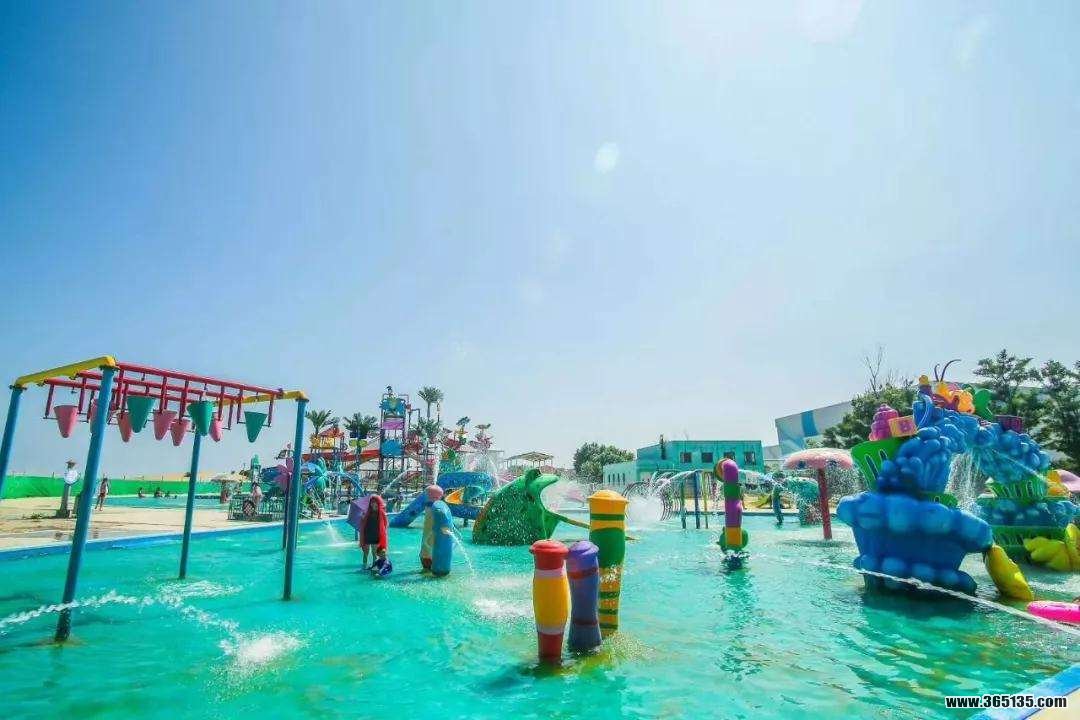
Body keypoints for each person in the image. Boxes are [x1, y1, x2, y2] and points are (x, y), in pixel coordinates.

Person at [360, 495, 388, 569]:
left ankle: (374, 567)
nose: (373, 503)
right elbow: (362, 523)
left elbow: (385, 524)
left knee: (374, 553)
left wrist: (382, 533)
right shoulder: (367, 512)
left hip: (376, 535)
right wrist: (362, 518)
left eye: (375, 502)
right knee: (365, 553)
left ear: (378, 503)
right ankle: (364, 567)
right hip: (367, 535)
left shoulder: (381, 513)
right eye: (372, 502)